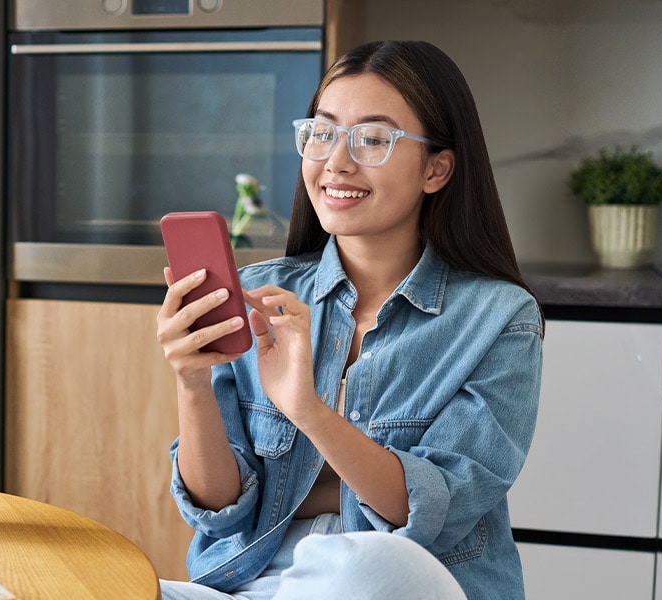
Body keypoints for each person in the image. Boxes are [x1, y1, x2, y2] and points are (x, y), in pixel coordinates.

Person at [156, 40, 543, 600]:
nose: (337, 161)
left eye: (374, 139)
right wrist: (191, 382)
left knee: (366, 573)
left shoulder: (499, 319)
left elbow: (429, 513)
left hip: (399, 580)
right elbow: (217, 513)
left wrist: (307, 410)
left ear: (437, 169)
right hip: (256, 581)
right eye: (323, 132)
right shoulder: (259, 294)